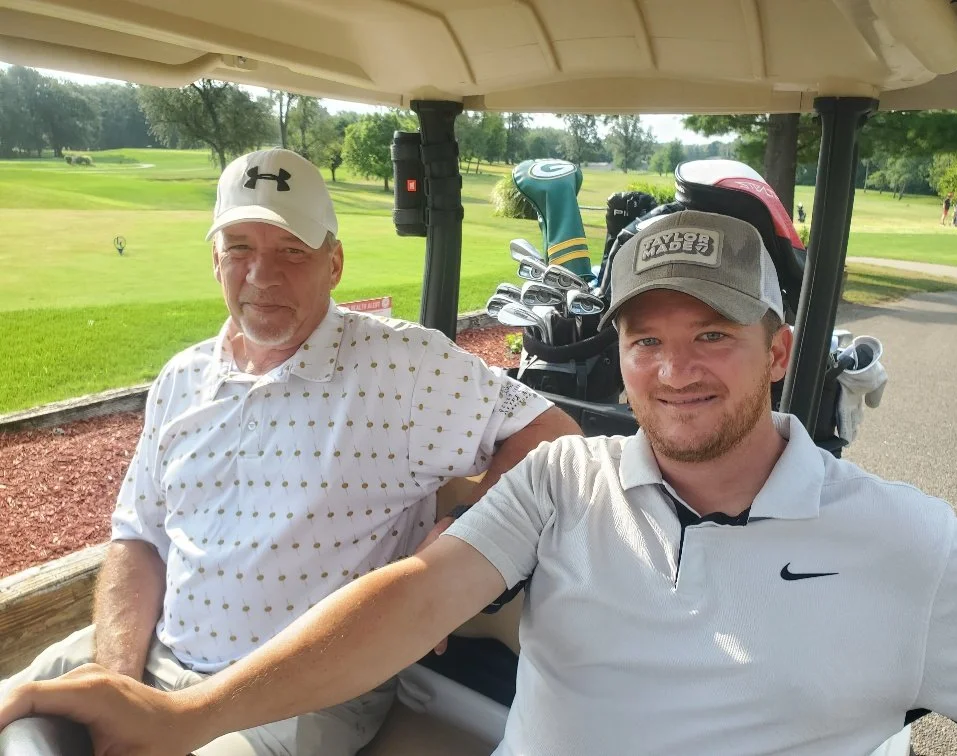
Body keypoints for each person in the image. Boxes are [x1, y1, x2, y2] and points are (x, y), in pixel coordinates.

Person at [4, 209, 957, 756]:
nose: (673, 371)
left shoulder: (909, 544)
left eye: (713, 336)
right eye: (645, 339)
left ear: (779, 349)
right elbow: (409, 601)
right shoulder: (565, 480)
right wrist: (185, 715)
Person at [0, 147, 579, 755]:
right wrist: (118, 684)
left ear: (334, 263)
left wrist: (464, 536)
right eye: (240, 248)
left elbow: (554, 435)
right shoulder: (181, 378)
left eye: (290, 252)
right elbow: (139, 536)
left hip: (302, 695)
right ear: (215, 261)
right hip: (155, 651)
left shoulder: (402, 367)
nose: (262, 275)